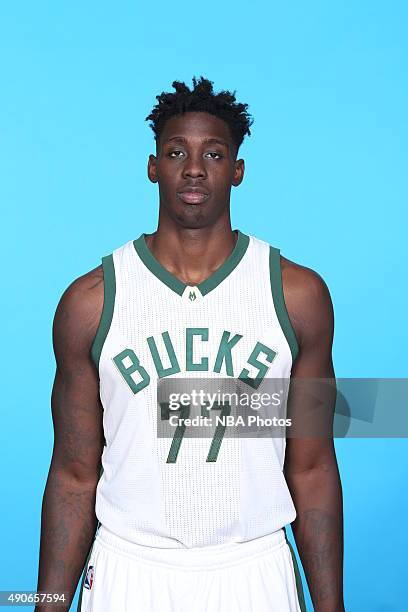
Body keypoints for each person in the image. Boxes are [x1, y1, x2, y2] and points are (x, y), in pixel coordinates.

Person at [36, 76, 344, 612]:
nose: (195, 168)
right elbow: (73, 472)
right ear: (153, 166)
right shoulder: (90, 303)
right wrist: (47, 603)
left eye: (214, 154)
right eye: (177, 151)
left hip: (252, 567)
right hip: (128, 568)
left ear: (238, 171)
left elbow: (313, 465)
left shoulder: (297, 295)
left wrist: (331, 606)